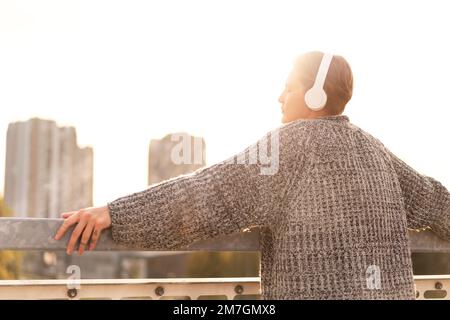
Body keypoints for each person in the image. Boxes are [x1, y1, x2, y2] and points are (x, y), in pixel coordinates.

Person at [55, 51, 450, 299]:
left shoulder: (291, 147)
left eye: (288, 88)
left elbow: (206, 195)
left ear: (314, 96)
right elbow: (437, 203)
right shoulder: (376, 150)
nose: (279, 97)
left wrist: (115, 214)